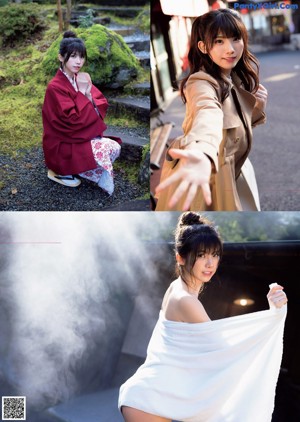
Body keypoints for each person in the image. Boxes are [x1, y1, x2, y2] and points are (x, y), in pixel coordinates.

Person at [118, 212, 288, 422]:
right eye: (201, 255)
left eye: (215, 254)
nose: (210, 263)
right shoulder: (185, 300)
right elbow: (224, 351)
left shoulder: (178, 288)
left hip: (153, 396)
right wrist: (272, 315)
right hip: (149, 400)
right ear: (180, 257)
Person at [155, 9, 268, 211]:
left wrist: (258, 106)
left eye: (236, 38)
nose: (231, 49)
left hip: (232, 169)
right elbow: (207, 113)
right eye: (219, 41)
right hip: (208, 176)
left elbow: (234, 127)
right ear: (203, 47)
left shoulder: (234, 78)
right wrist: (202, 150)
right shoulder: (201, 83)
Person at [42, 31, 122, 194]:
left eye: (82, 57)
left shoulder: (80, 78)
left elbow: (100, 103)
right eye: (73, 56)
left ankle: (81, 168)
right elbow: (71, 120)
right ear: (60, 57)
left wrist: (86, 94)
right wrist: (84, 95)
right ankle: (62, 170)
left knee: (114, 146)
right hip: (62, 143)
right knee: (103, 149)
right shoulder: (55, 87)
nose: (79, 61)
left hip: (76, 137)